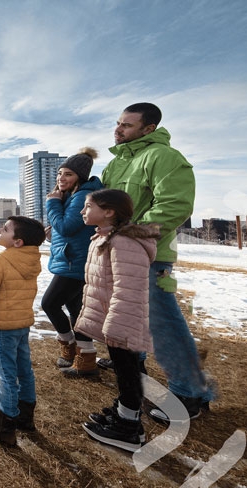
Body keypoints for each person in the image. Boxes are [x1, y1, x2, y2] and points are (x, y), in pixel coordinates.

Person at [98, 102, 215, 422]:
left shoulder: (164, 157)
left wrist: (132, 233)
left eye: (127, 126)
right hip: (118, 254)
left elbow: (175, 204)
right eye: (118, 123)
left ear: (148, 129)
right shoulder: (115, 165)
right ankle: (136, 374)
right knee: (133, 321)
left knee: (162, 323)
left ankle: (190, 393)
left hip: (149, 256)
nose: (118, 129)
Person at [73, 189, 160, 451]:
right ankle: (124, 410)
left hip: (122, 319)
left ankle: (129, 427)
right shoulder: (106, 238)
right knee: (125, 369)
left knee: (128, 370)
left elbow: (128, 289)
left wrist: (117, 324)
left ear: (109, 211)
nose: (82, 211)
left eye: (88, 206)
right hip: (116, 317)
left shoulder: (123, 243)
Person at [0, 216, 45, 446]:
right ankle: (26, 417)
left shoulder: (0, 262)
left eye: (5, 229)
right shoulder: (31, 261)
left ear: (18, 242)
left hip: (4, 326)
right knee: (24, 370)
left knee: (6, 374)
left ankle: (4, 425)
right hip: (22, 323)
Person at [41, 147, 103, 376]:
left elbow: (67, 227)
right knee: (76, 309)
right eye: (59, 174)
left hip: (75, 263)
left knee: (49, 304)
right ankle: (85, 358)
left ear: (80, 176)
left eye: (68, 174)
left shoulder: (81, 196)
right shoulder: (76, 195)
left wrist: (53, 204)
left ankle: (68, 345)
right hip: (73, 258)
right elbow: (70, 229)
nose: (61, 178)